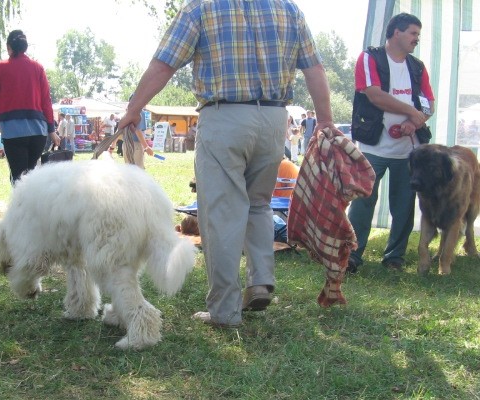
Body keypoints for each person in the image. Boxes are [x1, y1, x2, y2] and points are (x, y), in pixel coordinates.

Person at [118, 0, 334, 328]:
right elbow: (314, 69)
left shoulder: (201, 7)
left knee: (221, 214)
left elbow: (165, 64)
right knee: (259, 204)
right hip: (275, 117)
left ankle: (224, 310)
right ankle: (260, 279)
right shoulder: (287, 9)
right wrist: (326, 123)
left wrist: (135, 108)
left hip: (224, 116)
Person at [347, 12, 435, 274]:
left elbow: (429, 103)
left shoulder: (417, 67)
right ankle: (353, 254)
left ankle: (395, 256)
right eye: (413, 33)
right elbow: (374, 95)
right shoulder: (369, 58)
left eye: (418, 35)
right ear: (396, 32)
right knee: (363, 202)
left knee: (404, 205)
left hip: (409, 150)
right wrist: (410, 111)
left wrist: (415, 122)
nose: (416, 39)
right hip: (374, 147)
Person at [0, 30, 57, 182]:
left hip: (13, 130)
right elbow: (46, 101)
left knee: (18, 176)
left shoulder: (1, 67)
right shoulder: (38, 67)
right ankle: (32, 204)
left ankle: (21, 205)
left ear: (9, 46)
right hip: (38, 131)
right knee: (31, 174)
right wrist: (51, 130)